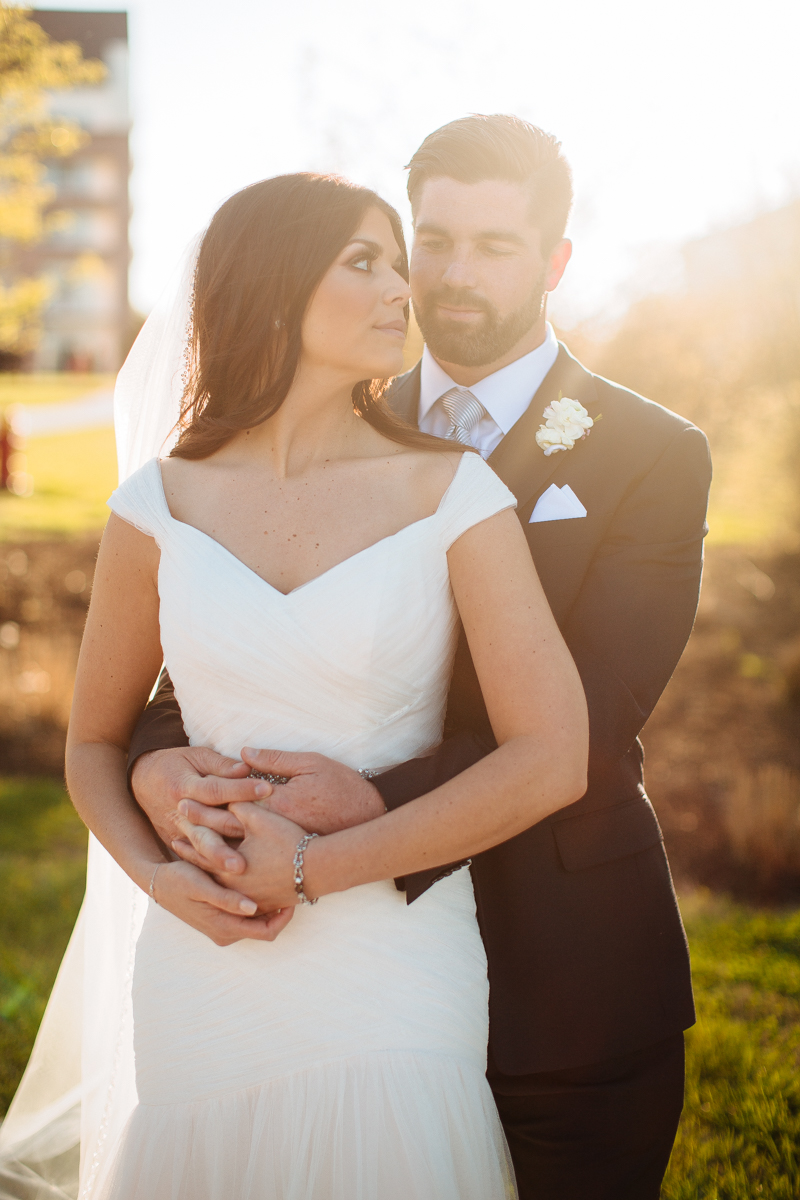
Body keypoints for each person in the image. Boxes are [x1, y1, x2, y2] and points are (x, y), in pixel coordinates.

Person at [131, 115, 712, 1199]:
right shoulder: (322, 421)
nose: (450, 274)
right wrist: (153, 759)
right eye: (430, 240)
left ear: (553, 262)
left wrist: (345, 810)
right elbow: (216, 644)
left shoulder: (650, 454)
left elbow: (584, 714)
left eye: (491, 246)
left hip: (564, 966)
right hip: (338, 974)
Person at [4, 171, 589, 1199]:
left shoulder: (453, 493)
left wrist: (318, 866)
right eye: (361, 263)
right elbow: (94, 745)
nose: (397, 291)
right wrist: (160, 877)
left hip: (393, 962)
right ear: (271, 287)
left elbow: (551, 755)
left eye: (394, 268)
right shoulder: (158, 505)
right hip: (202, 966)